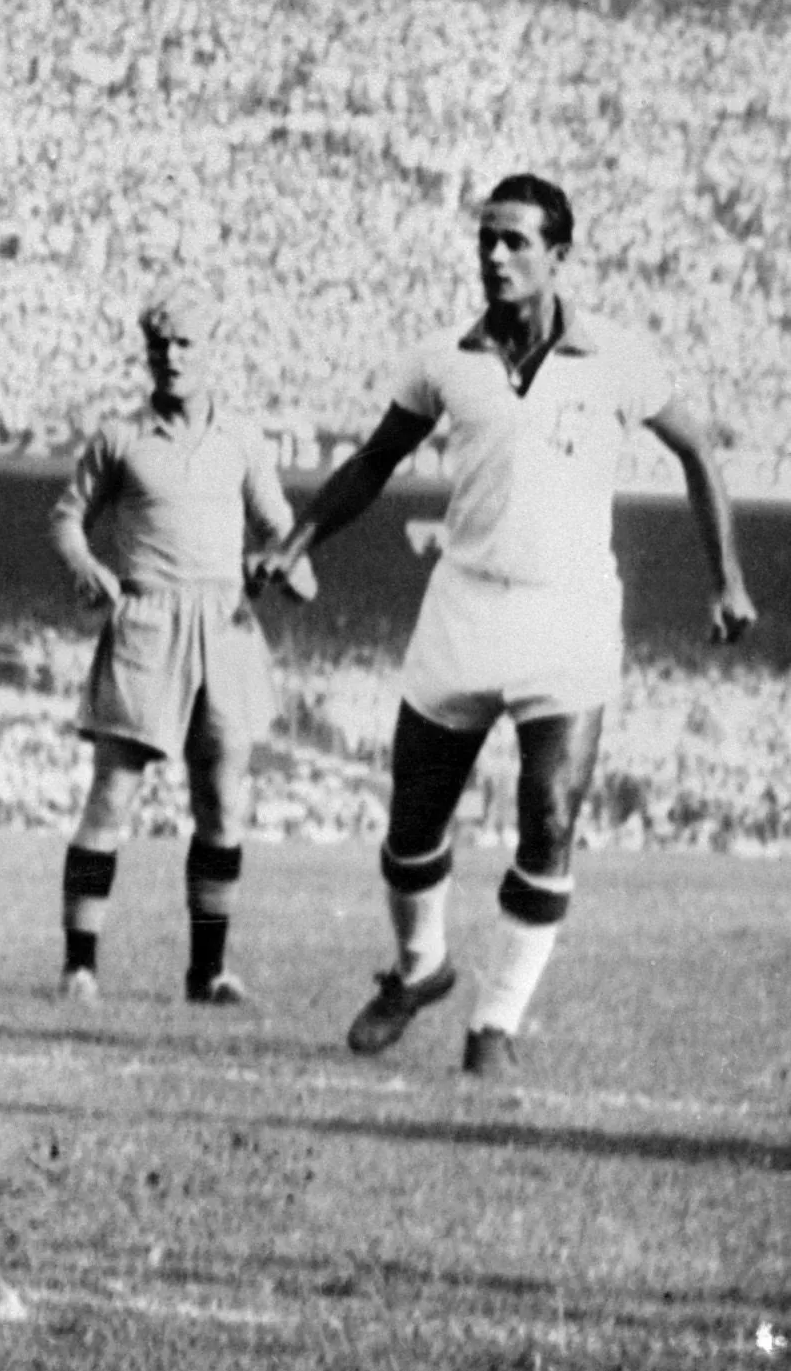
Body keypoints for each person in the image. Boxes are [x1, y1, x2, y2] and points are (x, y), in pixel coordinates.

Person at [252, 174, 757, 1076]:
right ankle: (421, 968)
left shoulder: (618, 357)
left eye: (515, 240)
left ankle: (496, 1023)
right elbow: (374, 460)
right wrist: (296, 541)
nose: (494, 254)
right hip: (465, 604)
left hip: (570, 612)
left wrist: (727, 580)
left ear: (559, 255)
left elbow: (697, 452)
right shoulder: (445, 357)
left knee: (550, 813)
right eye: (486, 237)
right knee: (413, 820)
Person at [49, 285, 307, 1007]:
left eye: (186, 343)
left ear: (211, 351)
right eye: (159, 344)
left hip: (224, 625)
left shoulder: (243, 439)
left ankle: (208, 972)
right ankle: (79, 967)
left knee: (220, 801)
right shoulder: (121, 437)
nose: (171, 356)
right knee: (112, 796)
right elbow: (67, 518)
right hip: (147, 623)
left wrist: (287, 567)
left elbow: (281, 529)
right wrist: (86, 566)